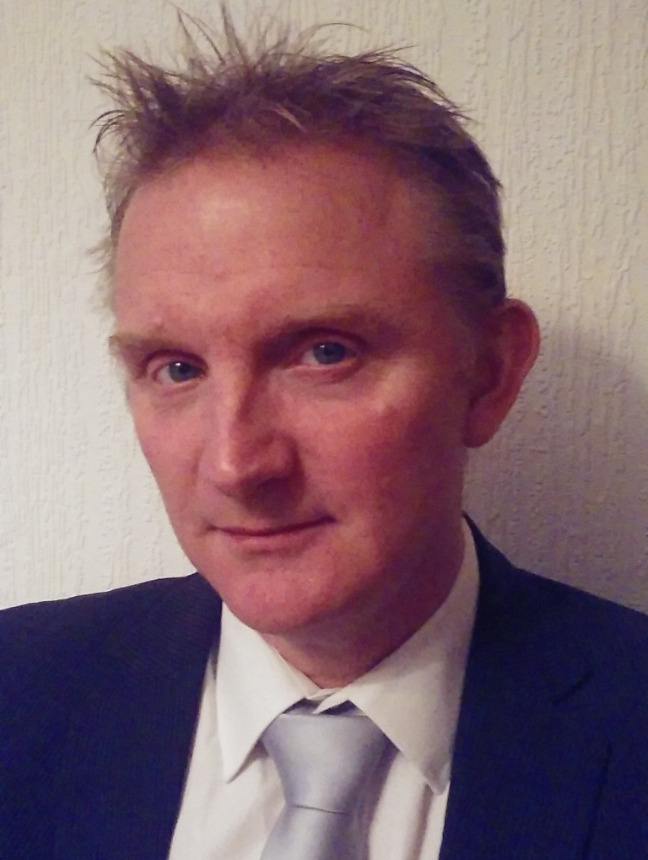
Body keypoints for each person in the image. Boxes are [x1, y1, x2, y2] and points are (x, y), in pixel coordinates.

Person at [2, 15, 647, 860]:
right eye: (177, 368)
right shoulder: (17, 692)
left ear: (489, 372)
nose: (236, 464)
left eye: (325, 353)